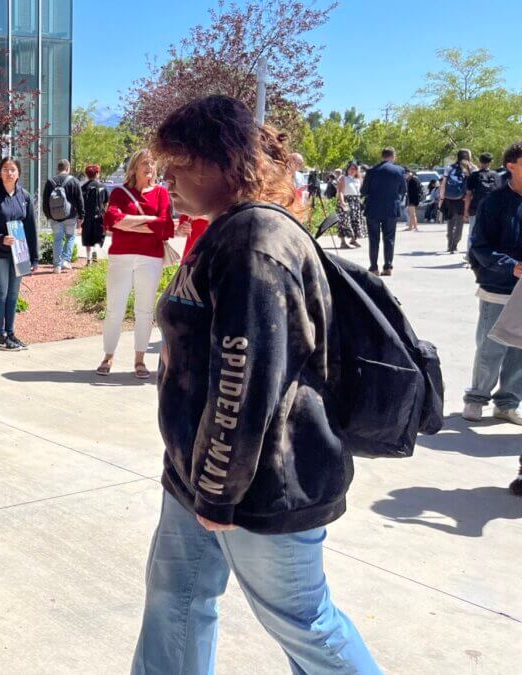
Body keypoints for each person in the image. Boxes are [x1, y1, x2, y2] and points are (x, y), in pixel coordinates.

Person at [131, 95, 381, 675]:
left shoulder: (254, 242)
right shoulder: (227, 232)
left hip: (259, 485)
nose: (168, 178)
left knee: (304, 626)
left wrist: (218, 490)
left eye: (178, 165)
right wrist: (195, 480)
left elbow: (246, 381)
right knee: (176, 599)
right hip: (198, 475)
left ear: (222, 161)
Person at [98, 148, 173, 379]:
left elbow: (165, 225)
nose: (149, 168)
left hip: (150, 257)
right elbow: (111, 220)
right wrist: (149, 221)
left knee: (144, 309)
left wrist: (129, 223)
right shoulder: (120, 193)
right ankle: (108, 355)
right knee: (114, 308)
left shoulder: (161, 193)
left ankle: (139, 359)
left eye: (152, 164)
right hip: (121, 255)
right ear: (134, 167)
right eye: (144, 163)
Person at [464, 140, 522, 433]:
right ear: (511, 166)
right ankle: (476, 398)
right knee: (490, 347)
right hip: (498, 287)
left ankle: (507, 403)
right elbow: (479, 247)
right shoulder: (494, 202)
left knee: (520, 351)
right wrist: (510, 266)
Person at [0, 157, 40, 351]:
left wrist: (34, 258)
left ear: (18, 173)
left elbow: (30, 228)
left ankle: (10, 334)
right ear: (0, 173)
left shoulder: (24, 196)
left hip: (19, 253)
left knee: (13, 294)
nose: (9, 173)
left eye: (12, 170)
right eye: (5, 169)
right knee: (1, 292)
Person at [361, 147, 407, 276]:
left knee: (374, 239)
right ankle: (388, 266)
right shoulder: (399, 171)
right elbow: (403, 189)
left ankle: (374, 267)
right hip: (391, 208)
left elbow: (363, 191)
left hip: (373, 209)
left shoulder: (371, 171)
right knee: (389, 238)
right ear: (393, 156)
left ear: (382, 156)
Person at [41, 159, 83, 273]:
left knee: (57, 239)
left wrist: (48, 215)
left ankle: (57, 266)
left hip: (54, 217)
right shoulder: (74, 181)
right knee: (70, 237)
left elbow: (45, 200)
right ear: (68, 168)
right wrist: (81, 216)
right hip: (71, 216)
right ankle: (66, 260)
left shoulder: (50, 181)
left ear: (58, 169)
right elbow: (80, 200)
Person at [439, 148, 476, 254]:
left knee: (450, 221)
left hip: (449, 198)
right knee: (460, 222)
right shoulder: (470, 168)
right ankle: (454, 245)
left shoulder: (449, 168)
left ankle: (449, 243)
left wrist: (442, 198)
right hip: (463, 198)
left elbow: (443, 184)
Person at [468, 152, 504, 235]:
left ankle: (471, 247)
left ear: (480, 162)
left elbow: (468, 194)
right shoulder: (497, 176)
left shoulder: (474, 175)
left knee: (473, 231)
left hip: (475, 208)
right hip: (493, 209)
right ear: (491, 162)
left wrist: (466, 210)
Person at [80, 164, 108, 263]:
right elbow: (106, 202)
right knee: (98, 236)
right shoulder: (102, 187)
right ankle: (95, 251)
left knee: (87, 237)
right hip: (100, 216)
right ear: (97, 174)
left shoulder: (83, 187)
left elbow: (81, 203)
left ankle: (88, 259)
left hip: (87, 216)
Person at [336, 161, 364, 249]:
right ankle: (343, 242)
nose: (352, 170)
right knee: (344, 221)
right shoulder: (343, 178)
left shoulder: (358, 179)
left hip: (355, 201)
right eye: (351, 168)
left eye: (354, 169)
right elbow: (340, 191)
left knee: (355, 220)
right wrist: (342, 201)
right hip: (346, 200)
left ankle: (353, 239)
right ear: (347, 169)